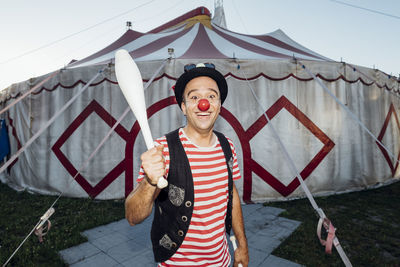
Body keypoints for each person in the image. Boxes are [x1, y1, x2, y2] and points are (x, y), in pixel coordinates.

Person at [125, 63, 249, 267]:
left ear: (219, 104)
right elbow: (132, 216)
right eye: (194, 97)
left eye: (211, 96)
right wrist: (150, 181)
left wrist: (242, 245)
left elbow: (232, 194)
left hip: (222, 261)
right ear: (183, 106)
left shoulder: (228, 146)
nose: (204, 104)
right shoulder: (162, 149)